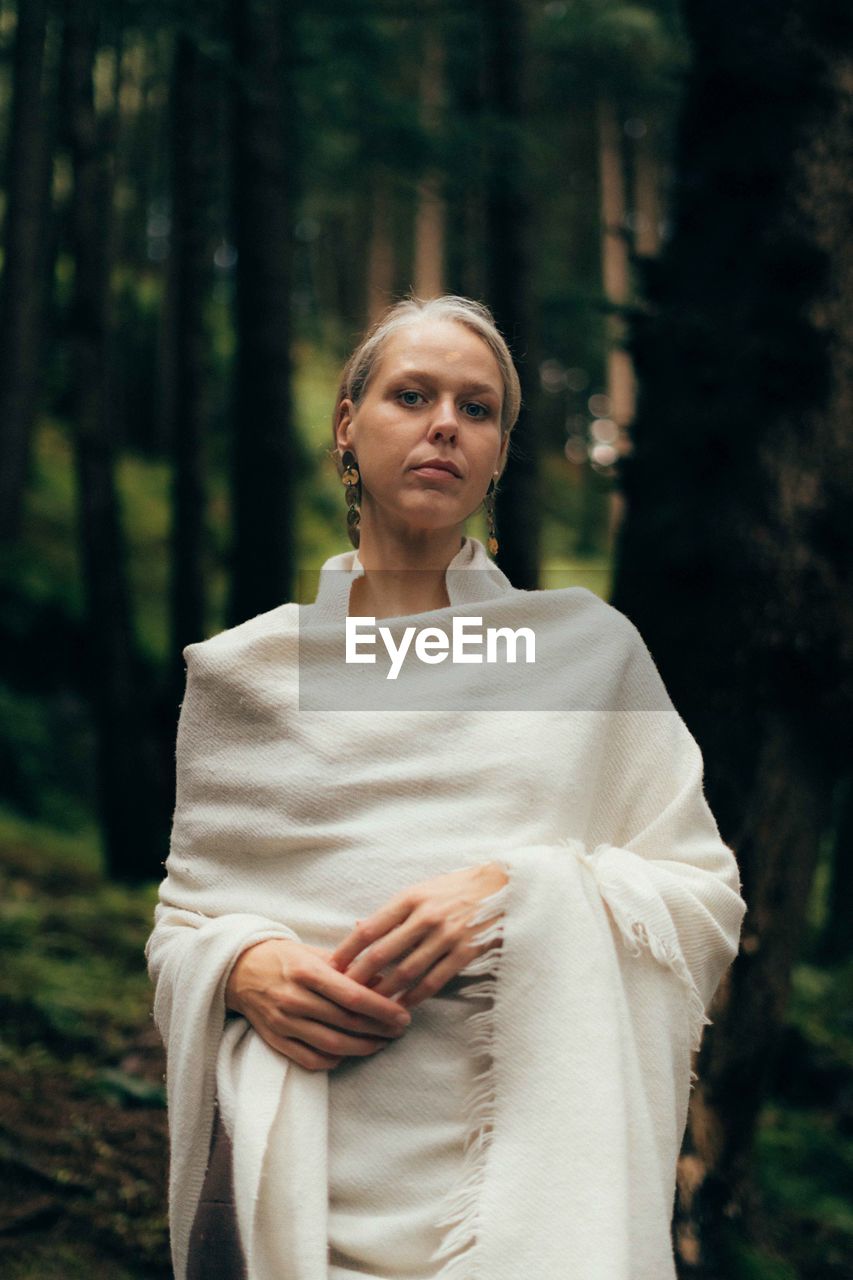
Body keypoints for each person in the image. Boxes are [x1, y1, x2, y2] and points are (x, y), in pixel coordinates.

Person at [146, 294, 747, 1280]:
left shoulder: (591, 652)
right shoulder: (246, 673)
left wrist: (523, 892)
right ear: (348, 425)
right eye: (412, 394)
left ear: (501, 451)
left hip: (532, 1189)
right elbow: (181, 922)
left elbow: (702, 896)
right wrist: (239, 966)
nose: (443, 425)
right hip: (303, 1188)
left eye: (477, 409)